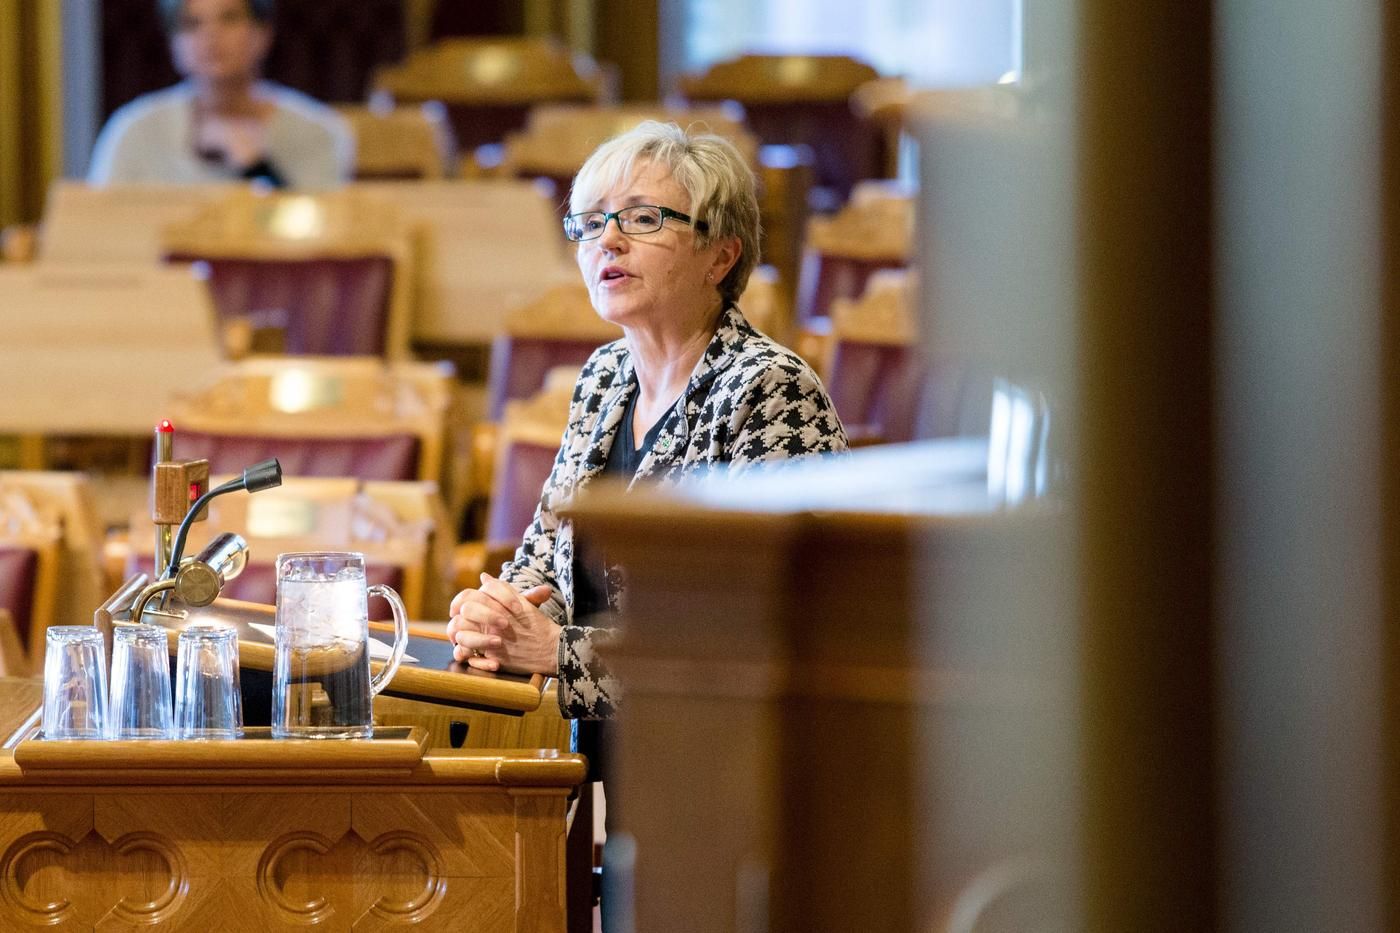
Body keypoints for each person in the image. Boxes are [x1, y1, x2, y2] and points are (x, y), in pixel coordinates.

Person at [446, 121, 848, 724]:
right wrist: (498, 618)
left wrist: (559, 653)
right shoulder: (604, 375)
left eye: (641, 218)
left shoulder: (770, 389)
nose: (607, 240)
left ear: (720, 255)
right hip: (592, 747)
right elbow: (546, 558)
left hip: (717, 756)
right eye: (591, 222)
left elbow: (763, 630)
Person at [87, 0, 352, 189]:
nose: (210, 36)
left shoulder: (318, 132)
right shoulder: (134, 130)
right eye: (192, 24)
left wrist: (258, 168)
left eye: (229, 19)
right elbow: (99, 227)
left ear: (262, 33)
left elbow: (319, 237)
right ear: (172, 42)